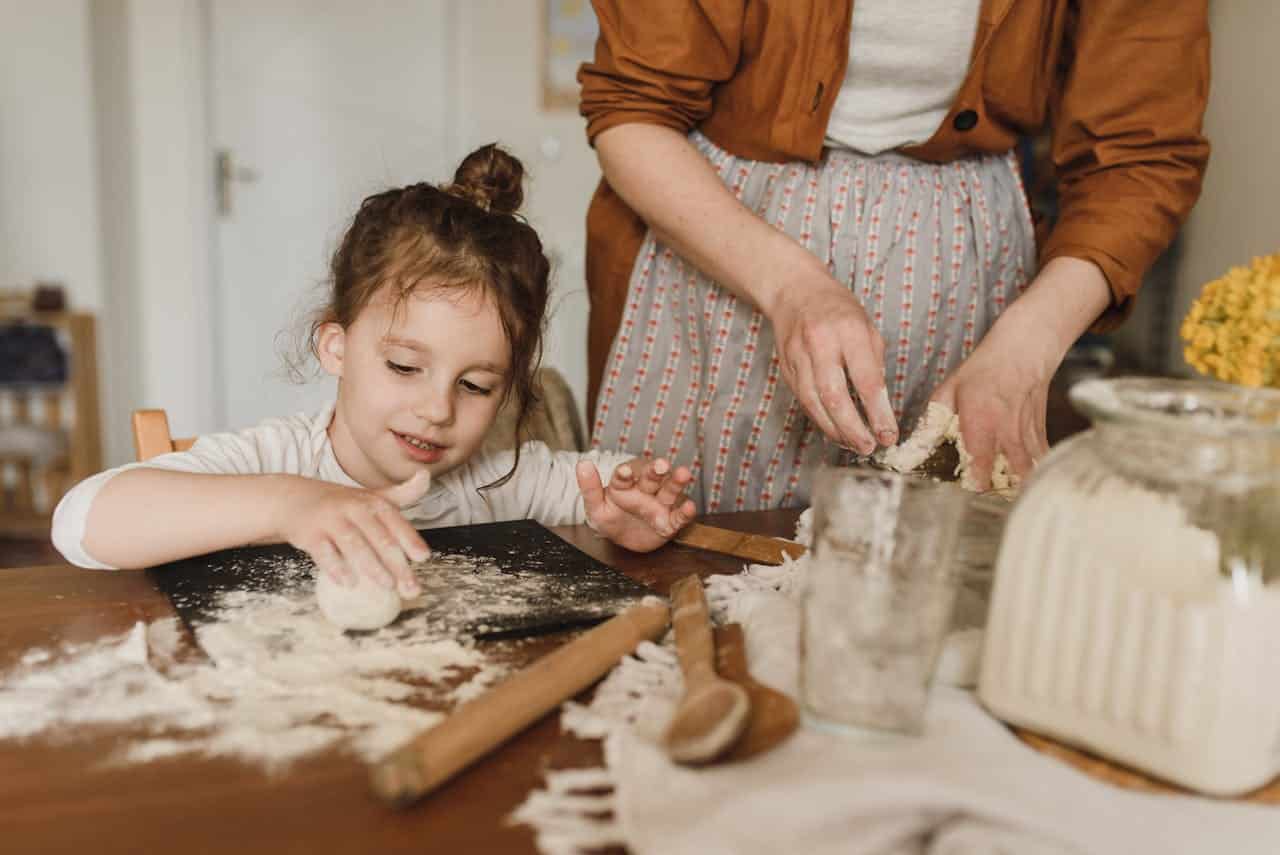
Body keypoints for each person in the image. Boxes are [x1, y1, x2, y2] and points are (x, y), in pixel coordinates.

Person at [579, 0, 1210, 510]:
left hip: (969, 272)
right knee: (678, 561)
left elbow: (1137, 159)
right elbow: (634, 110)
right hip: (722, 257)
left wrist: (1027, 345)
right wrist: (792, 287)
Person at [51, 144, 696, 598]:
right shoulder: (281, 460)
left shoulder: (495, 479)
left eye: (475, 385)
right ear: (335, 347)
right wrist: (289, 504)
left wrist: (628, 513)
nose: (438, 410)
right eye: (404, 366)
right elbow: (80, 522)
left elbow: (601, 483)